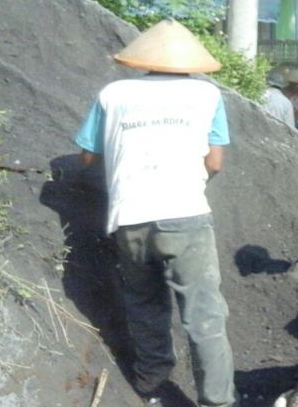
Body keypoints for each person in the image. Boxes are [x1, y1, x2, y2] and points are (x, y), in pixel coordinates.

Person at [73, 20, 236, 407]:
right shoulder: (206, 94)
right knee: (204, 316)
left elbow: (86, 155)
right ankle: (218, 401)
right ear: (189, 61)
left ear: (144, 59)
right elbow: (215, 162)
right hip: (186, 215)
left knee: (144, 302)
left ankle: (152, 384)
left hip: (130, 217)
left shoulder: (113, 94)